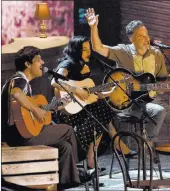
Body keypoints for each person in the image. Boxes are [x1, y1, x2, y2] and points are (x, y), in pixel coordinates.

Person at [85, 8, 170, 152]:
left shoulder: (157, 53)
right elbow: (98, 48)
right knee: (158, 111)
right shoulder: (123, 51)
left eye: (146, 35)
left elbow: (161, 82)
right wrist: (93, 27)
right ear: (131, 38)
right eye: (141, 36)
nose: (146, 38)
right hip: (130, 103)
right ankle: (147, 145)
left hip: (153, 100)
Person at [1, 46, 84, 189]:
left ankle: (65, 182)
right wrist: (36, 111)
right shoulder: (19, 79)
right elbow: (16, 94)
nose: (43, 63)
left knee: (65, 146)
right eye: (39, 60)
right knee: (68, 130)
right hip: (19, 137)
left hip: (20, 134)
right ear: (28, 64)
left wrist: (55, 106)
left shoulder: (23, 83)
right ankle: (79, 170)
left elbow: (24, 112)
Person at [51, 36, 136, 169]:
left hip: (82, 108)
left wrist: (110, 92)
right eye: (84, 49)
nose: (88, 52)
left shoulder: (85, 68)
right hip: (65, 110)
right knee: (102, 111)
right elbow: (55, 82)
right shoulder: (66, 65)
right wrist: (76, 90)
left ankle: (94, 157)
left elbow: (90, 94)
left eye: (89, 49)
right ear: (76, 51)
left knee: (101, 109)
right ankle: (113, 145)